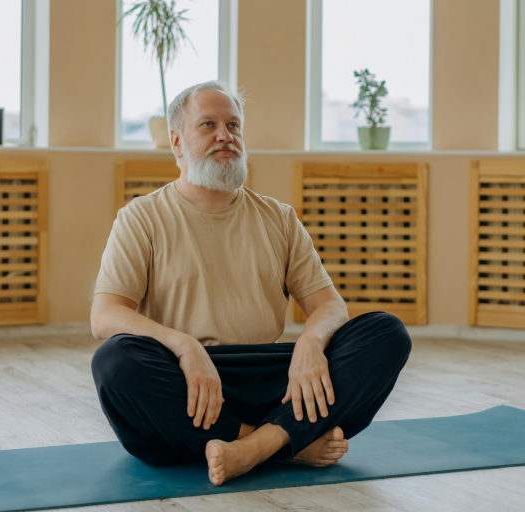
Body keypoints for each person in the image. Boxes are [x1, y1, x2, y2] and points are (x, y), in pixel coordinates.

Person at [90, 80, 412, 486]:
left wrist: (310, 344)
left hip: (270, 379)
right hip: (190, 382)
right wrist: (185, 346)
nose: (225, 135)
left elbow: (330, 306)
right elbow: (105, 316)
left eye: (234, 125)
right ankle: (286, 442)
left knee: (386, 333)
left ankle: (255, 447)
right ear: (176, 143)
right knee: (115, 362)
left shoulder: (278, 217)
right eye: (208, 125)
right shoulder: (141, 218)